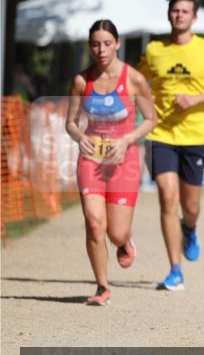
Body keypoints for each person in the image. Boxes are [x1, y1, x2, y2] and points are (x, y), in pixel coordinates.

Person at [139, 0, 204, 292]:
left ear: (195, 17)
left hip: (195, 135)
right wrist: (145, 109)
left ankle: (190, 228)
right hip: (161, 134)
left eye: (184, 11)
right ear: (169, 15)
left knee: (190, 205)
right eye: (175, 10)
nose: (179, 15)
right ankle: (174, 270)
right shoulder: (155, 50)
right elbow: (137, 84)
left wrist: (196, 99)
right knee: (168, 197)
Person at [65, 19, 157, 306]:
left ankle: (125, 242)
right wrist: (79, 136)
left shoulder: (133, 79)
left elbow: (152, 119)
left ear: (117, 44)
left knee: (116, 232)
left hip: (123, 160)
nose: (101, 49)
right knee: (94, 224)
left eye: (107, 43)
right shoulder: (82, 81)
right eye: (95, 44)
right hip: (91, 159)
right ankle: (102, 286)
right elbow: (70, 123)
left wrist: (128, 139)